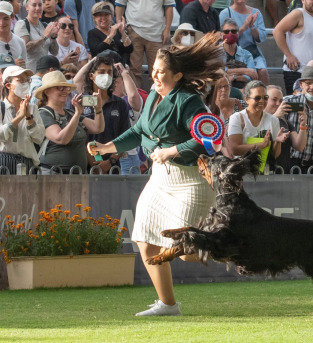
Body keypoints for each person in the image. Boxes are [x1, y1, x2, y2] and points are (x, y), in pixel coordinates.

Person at [87, 33, 225, 316]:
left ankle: (234, 246)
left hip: (190, 180)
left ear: (178, 75)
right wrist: (106, 147)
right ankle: (168, 305)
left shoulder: (189, 101)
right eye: (155, 72)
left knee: (187, 252)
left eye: (162, 73)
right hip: (159, 179)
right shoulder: (151, 96)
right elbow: (139, 132)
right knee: (145, 240)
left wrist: (170, 151)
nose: (156, 77)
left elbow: (206, 141)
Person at [35, 71, 105, 174]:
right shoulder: (43, 114)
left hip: (78, 175)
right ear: (47, 91)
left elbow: (97, 128)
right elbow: (61, 138)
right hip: (53, 174)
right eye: (59, 88)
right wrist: (77, 115)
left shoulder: (70, 113)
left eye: (66, 88)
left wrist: (98, 109)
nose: (65, 91)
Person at [0, 65, 45, 173]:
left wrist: (28, 117)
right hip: (4, 161)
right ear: (9, 85)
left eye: (27, 80)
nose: (25, 83)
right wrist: (19, 117)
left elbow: (39, 137)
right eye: (21, 80)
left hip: (27, 161)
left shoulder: (33, 108)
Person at [84, 55, 130, 174]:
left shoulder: (120, 104)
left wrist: (111, 161)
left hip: (113, 168)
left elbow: (125, 138)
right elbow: (78, 137)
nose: (106, 75)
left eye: (109, 72)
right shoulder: (81, 102)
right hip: (85, 168)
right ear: (91, 76)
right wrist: (92, 162)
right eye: (101, 72)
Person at [228, 80, 294, 164]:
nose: (262, 101)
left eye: (265, 97)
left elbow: (275, 155)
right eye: (257, 98)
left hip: (265, 172)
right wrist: (259, 145)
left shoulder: (273, 120)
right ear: (246, 99)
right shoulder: (237, 118)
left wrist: (277, 142)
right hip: (242, 170)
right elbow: (234, 150)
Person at [115, 0, 175, 88]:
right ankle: (135, 100)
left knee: (158, 71)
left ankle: (156, 100)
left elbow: (169, 6)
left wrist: (167, 29)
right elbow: (120, 4)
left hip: (157, 33)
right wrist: (120, 25)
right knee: (134, 70)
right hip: (133, 30)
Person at [272, 0, 313, 96]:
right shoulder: (298, 13)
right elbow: (277, 31)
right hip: (297, 72)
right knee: (296, 107)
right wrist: (288, 55)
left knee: (309, 109)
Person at [219, 0, 269, 85]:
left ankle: (265, 96)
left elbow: (261, 37)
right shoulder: (225, 13)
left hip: (251, 50)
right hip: (230, 50)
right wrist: (244, 27)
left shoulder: (256, 12)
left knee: (262, 71)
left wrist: (252, 27)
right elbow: (224, 37)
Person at [13, 0, 59, 73]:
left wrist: (53, 37)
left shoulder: (44, 25)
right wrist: (45, 37)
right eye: (34, 5)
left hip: (44, 73)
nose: (37, 8)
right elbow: (26, 47)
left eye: (40, 5)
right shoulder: (22, 24)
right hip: (28, 73)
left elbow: (54, 52)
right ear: (27, 7)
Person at [221, 18, 257, 90]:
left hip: (243, 90)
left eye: (233, 31)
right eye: (226, 31)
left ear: (237, 34)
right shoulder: (216, 53)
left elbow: (252, 76)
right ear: (221, 34)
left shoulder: (247, 54)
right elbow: (219, 74)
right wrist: (245, 71)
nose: (230, 34)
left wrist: (233, 76)